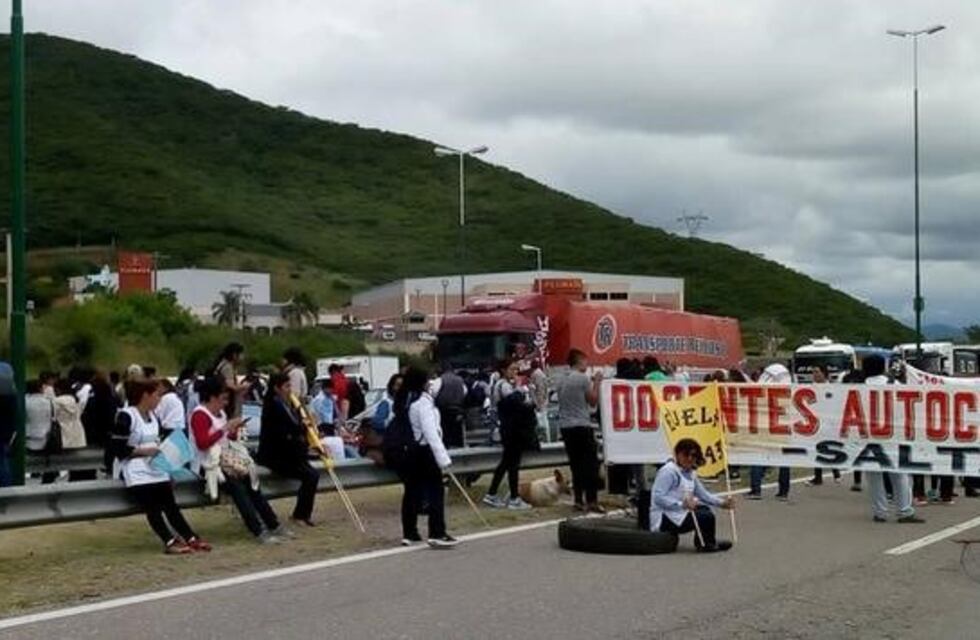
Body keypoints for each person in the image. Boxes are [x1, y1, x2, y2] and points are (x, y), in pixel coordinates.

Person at [109, 379, 210, 554]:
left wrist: (169, 467)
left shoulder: (154, 417)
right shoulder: (127, 416)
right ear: (145, 396)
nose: (159, 400)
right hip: (135, 470)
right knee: (153, 508)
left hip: (156, 467)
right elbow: (117, 449)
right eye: (157, 395)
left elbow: (159, 442)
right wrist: (144, 451)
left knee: (171, 505)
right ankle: (169, 541)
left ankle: (190, 536)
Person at [191, 376, 287, 544]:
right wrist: (225, 428)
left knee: (252, 482)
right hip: (208, 463)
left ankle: (273, 523)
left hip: (225, 459)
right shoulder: (199, 415)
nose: (225, 403)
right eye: (223, 399)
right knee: (237, 488)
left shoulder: (220, 413)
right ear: (212, 397)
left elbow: (226, 439)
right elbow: (202, 443)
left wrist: (234, 430)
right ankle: (257, 529)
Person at [398, 367, 457, 548]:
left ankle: (410, 533)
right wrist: (443, 458)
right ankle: (437, 532)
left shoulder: (406, 400)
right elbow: (431, 433)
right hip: (426, 451)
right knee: (435, 491)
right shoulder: (423, 403)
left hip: (411, 451)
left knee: (412, 492)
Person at [862, 355, 924, 524]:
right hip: (893, 435)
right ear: (883, 367)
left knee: (873, 476)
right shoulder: (894, 384)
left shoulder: (859, 386)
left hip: (868, 436)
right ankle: (904, 510)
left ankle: (880, 512)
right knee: (900, 474)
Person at [649, 438, 735, 553]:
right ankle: (707, 544)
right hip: (664, 517)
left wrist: (722, 503)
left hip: (678, 513)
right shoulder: (669, 472)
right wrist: (681, 505)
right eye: (686, 455)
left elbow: (703, 494)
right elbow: (658, 497)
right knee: (705, 517)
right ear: (677, 454)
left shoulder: (691, 472)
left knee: (705, 509)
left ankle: (705, 541)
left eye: (693, 456)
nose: (689, 458)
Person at [257, 373, 320, 527]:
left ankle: (303, 514)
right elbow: (285, 432)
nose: (289, 389)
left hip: (289, 453)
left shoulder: (286, 405)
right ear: (276, 388)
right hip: (275, 455)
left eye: (289, 386)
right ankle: (300, 514)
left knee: (312, 474)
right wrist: (303, 427)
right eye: (286, 386)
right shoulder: (273, 406)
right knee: (310, 476)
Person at [483, 359, 536, 510]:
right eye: (512, 369)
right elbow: (514, 402)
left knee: (506, 463)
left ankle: (492, 494)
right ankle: (513, 498)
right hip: (512, 430)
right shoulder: (503, 385)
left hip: (508, 429)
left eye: (516, 369)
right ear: (503, 370)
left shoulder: (502, 385)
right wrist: (519, 388)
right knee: (512, 465)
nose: (515, 372)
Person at [557, 349, 604, 513]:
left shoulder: (561, 379)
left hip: (566, 426)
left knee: (575, 464)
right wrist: (597, 382)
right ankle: (592, 500)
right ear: (580, 361)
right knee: (591, 464)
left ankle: (578, 500)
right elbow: (593, 401)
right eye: (586, 361)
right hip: (581, 425)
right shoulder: (582, 378)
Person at [747, 363, 791, 501]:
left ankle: (756, 490)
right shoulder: (790, 391)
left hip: (765, 428)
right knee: (785, 461)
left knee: (758, 456)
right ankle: (783, 492)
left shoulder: (762, 391)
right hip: (783, 429)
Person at [213, 342, 249, 419]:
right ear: (234, 355)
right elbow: (231, 386)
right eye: (241, 354)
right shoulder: (227, 367)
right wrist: (244, 386)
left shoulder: (224, 365)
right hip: (228, 406)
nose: (243, 357)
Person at [434, 367, 467, 449]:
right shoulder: (460, 380)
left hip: (444, 409)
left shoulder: (440, 380)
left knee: (445, 430)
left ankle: (447, 446)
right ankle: (458, 446)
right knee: (457, 430)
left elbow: (434, 392)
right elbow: (465, 391)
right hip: (457, 408)